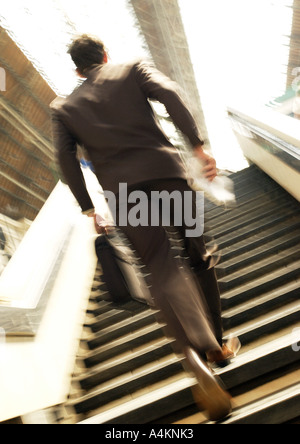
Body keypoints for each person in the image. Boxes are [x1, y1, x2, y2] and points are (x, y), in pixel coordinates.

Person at [51, 34, 240, 421]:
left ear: (76, 69)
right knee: (198, 255)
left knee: (160, 268)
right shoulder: (131, 68)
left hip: (123, 193)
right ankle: (217, 343)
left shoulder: (64, 107)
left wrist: (89, 207)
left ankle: (197, 362)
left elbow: (64, 158)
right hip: (166, 175)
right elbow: (169, 93)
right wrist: (197, 145)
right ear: (104, 56)